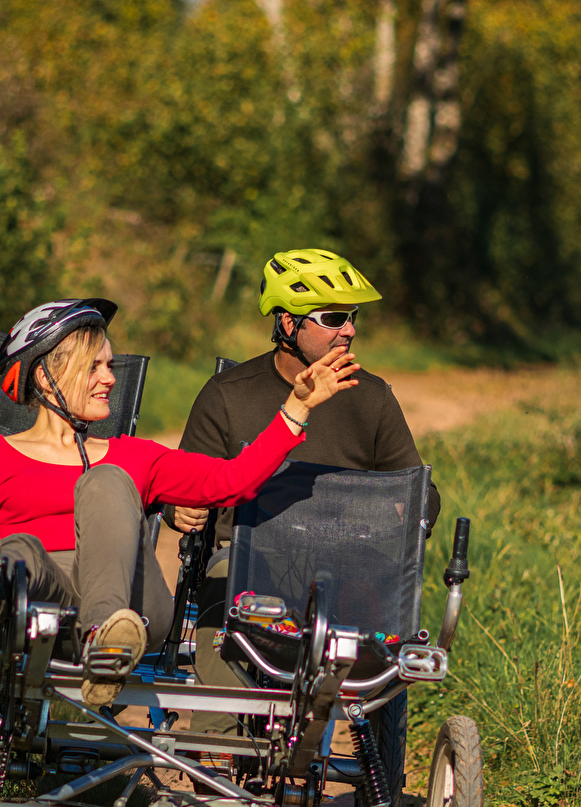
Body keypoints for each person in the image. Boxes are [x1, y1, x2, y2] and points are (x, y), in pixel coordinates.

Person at [0, 297, 360, 706]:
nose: (109, 380)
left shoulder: (133, 456)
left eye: (110, 366)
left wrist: (295, 409)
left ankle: (106, 640)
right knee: (16, 551)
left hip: (132, 609)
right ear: (45, 376)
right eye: (94, 368)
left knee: (105, 480)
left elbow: (231, 481)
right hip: (38, 604)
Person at [163, 248, 440, 741]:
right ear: (288, 324)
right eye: (334, 318)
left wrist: (410, 510)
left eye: (352, 318)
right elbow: (183, 483)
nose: (349, 330)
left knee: (378, 601)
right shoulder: (228, 394)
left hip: (347, 562)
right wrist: (177, 508)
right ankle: (217, 760)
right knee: (224, 582)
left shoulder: (371, 398)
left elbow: (419, 490)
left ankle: (341, 733)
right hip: (247, 563)